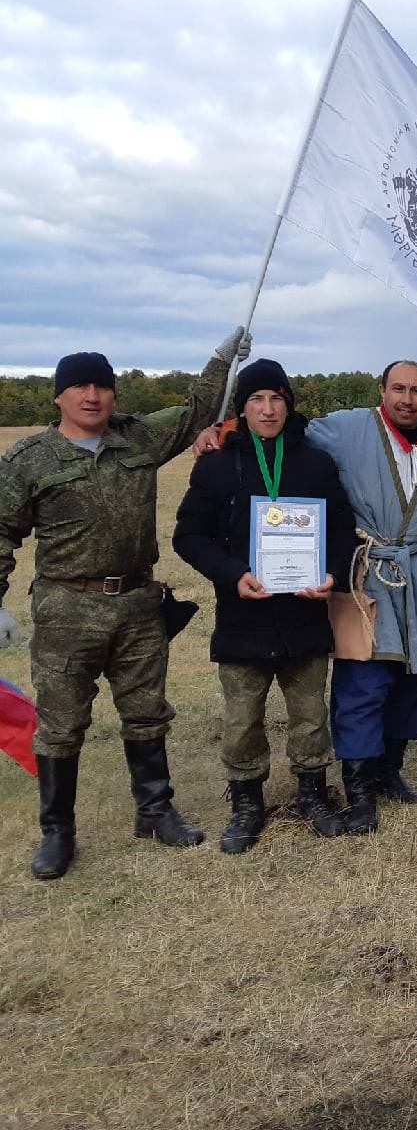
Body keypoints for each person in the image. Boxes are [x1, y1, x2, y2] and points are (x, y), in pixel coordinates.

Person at [0, 328, 249, 880]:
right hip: (68, 607)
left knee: (146, 711)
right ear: (59, 396)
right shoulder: (30, 460)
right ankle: (57, 833)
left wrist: (221, 359)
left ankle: (155, 812)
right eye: (80, 387)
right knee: (62, 724)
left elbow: (195, 413)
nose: (92, 396)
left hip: (137, 602)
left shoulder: (135, 439)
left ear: (114, 394)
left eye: (102, 386)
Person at [172, 359, 356, 852]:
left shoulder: (315, 462)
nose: (268, 409)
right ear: (243, 409)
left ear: (288, 405)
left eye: (277, 399)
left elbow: (340, 527)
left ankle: (313, 793)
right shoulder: (216, 464)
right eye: (257, 399)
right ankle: (247, 801)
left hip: (304, 611)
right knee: (242, 716)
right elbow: (188, 535)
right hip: (244, 614)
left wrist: (333, 576)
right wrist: (234, 574)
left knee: (309, 713)